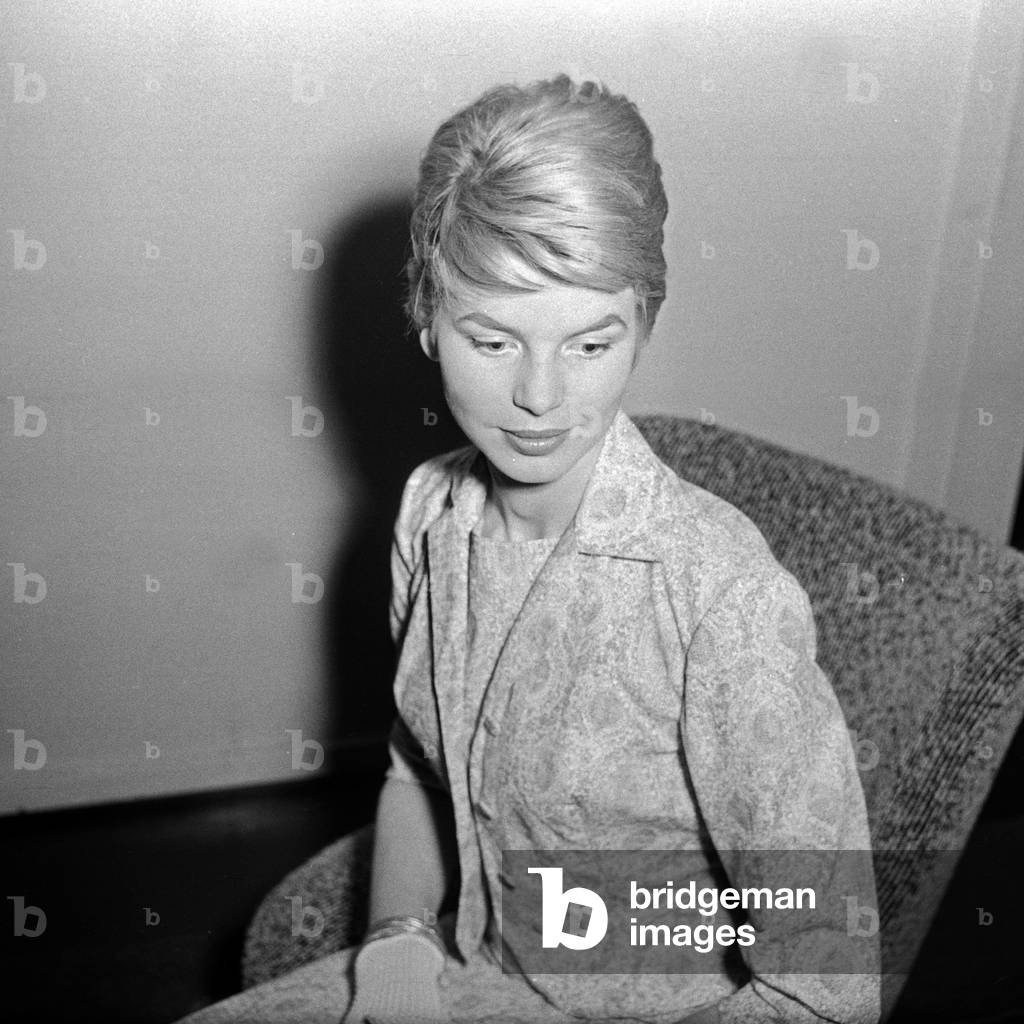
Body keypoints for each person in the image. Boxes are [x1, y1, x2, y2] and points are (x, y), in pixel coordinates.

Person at [174, 73, 880, 1024]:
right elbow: (418, 767)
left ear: (643, 325)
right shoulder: (430, 515)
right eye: (493, 340)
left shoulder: (722, 595)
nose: (541, 398)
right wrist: (397, 946)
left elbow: (825, 989)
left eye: (590, 345)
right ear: (428, 318)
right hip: (469, 977)